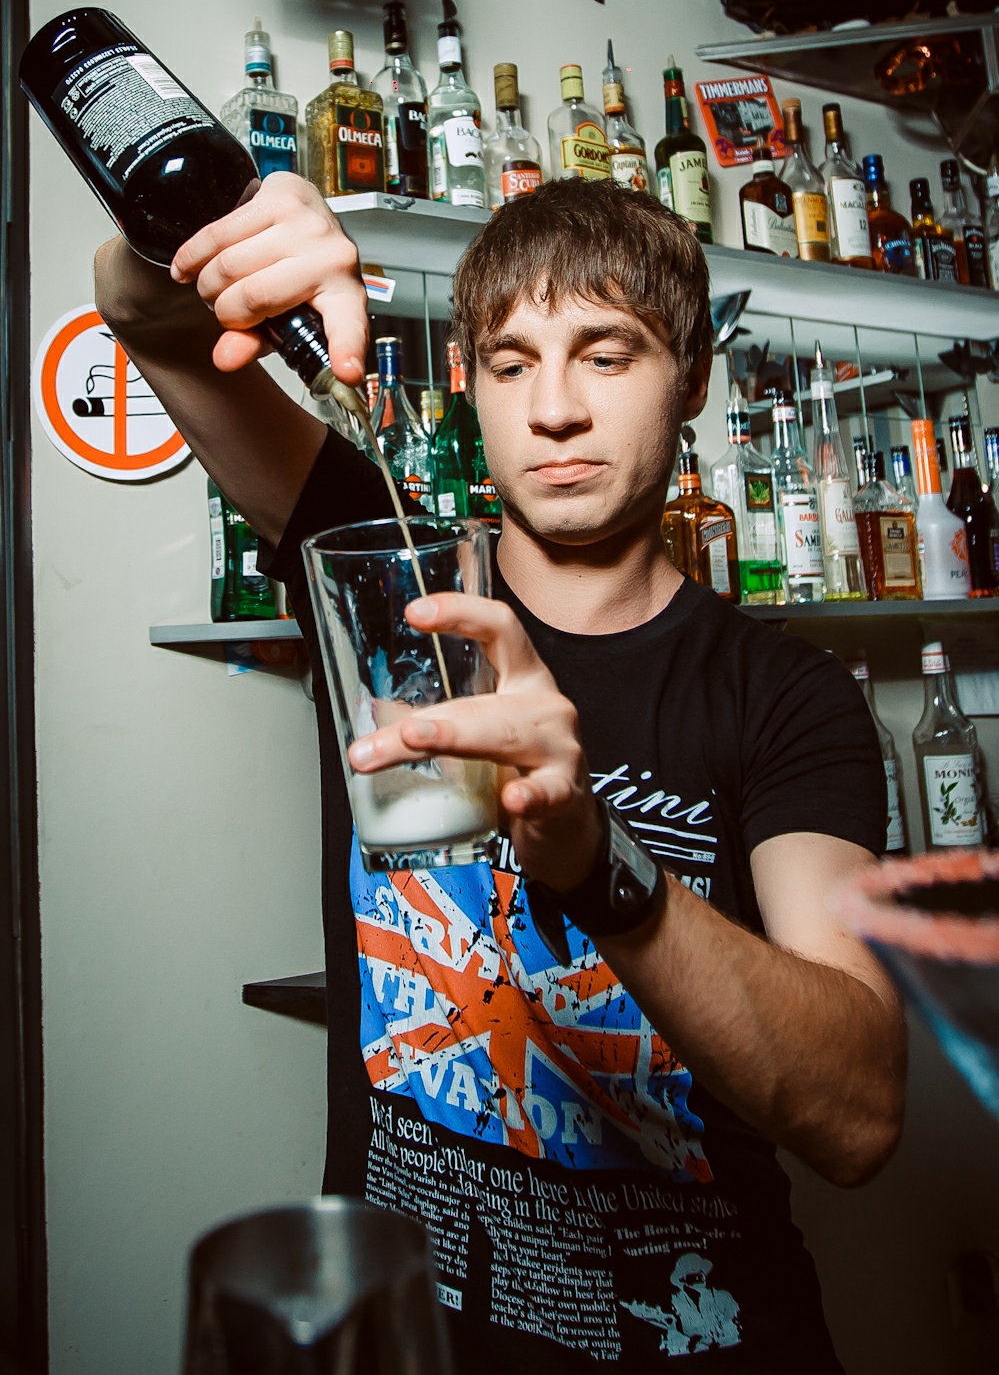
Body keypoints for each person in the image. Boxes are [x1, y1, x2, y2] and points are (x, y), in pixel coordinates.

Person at [94, 174, 906, 1373]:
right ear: (466, 382)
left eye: (607, 355)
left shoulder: (787, 695)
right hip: (400, 1336)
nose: (556, 410)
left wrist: (590, 850)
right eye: (512, 363)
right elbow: (139, 309)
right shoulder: (383, 577)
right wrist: (222, 222)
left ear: (692, 376)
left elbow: (858, 1112)